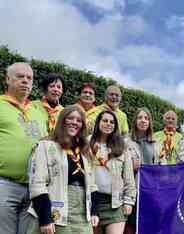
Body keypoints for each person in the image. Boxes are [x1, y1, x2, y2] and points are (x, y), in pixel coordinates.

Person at [26, 105, 99, 234]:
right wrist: (45, 218)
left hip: (82, 215)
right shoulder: (46, 146)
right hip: (56, 212)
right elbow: (37, 184)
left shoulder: (84, 151)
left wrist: (94, 212)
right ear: (62, 120)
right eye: (70, 118)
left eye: (79, 120)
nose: (74, 122)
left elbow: (92, 185)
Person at [0, 62, 45, 234]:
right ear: (8, 79)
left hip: (34, 188)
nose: (26, 81)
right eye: (20, 77)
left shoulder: (37, 111)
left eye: (29, 78)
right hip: (4, 184)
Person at [89, 111, 136, 234]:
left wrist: (129, 202)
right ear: (98, 122)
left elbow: (128, 177)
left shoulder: (121, 146)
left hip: (115, 203)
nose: (108, 124)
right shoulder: (87, 143)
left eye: (112, 122)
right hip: (92, 202)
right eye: (105, 121)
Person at [124, 107, 165, 234]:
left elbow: (163, 166)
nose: (143, 121)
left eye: (146, 118)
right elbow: (119, 166)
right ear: (135, 121)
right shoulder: (126, 142)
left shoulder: (157, 143)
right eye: (140, 117)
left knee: (150, 225)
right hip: (133, 190)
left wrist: (159, 169)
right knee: (131, 225)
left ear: (150, 122)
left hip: (152, 191)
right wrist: (131, 166)